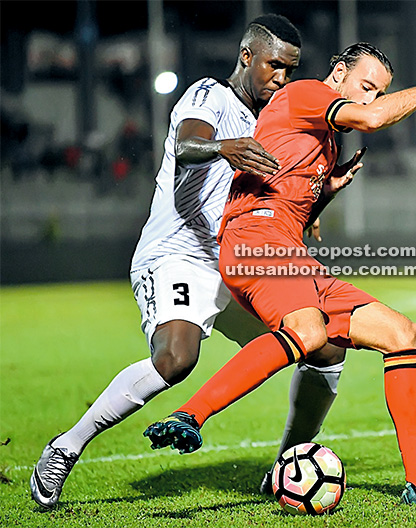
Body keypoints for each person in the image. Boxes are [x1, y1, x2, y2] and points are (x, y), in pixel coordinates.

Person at [30, 14, 352, 509]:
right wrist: (225, 147)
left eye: (290, 69)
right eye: (274, 65)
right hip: (179, 254)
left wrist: (321, 196)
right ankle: (65, 448)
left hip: (240, 262)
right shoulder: (209, 95)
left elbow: (283, 206)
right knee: (176, 359)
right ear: (247, 56)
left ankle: (286, 465)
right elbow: (186, 144)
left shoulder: (276, 121)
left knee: (326, 345)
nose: (281, 78)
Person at [144, 42, 416, 504]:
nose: (368, 98)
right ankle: (191, 414)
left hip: (290, 252)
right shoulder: (305, 94)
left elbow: (293, 210)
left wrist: (324, 191)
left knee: (403, 333)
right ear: (339, 73)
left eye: (377, 91)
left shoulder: (322, 141)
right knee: (306, 332)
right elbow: (372, 119)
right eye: (365, 86)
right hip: (256, 242)